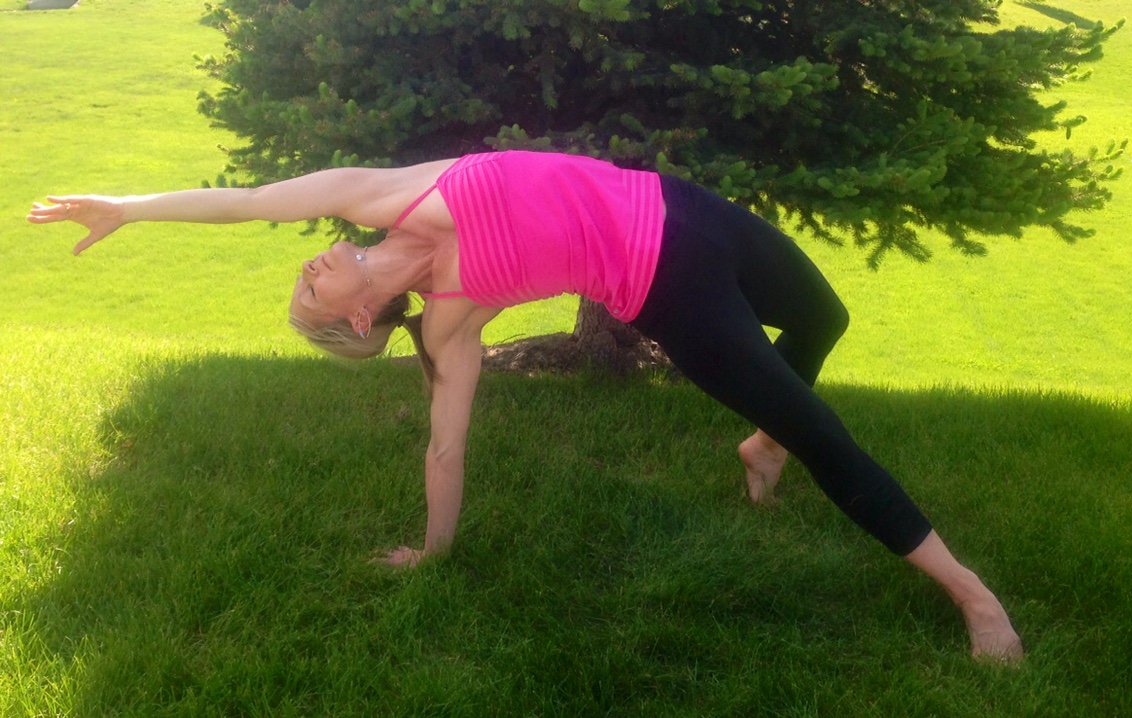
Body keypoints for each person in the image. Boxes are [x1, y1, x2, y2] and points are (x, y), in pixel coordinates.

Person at [28, 150, 1023, 660]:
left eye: (302, 279)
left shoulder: (383, 193)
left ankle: (760, 445)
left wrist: (129, 207)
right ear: (361, 320)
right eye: (311, 294)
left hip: (680, 204)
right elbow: (445, 447)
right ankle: (972, 597)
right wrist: (434, 549)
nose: (307, 269)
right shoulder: (450, 320)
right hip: (668, 288)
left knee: (823, 318)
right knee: (826, 435)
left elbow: (249, 199)